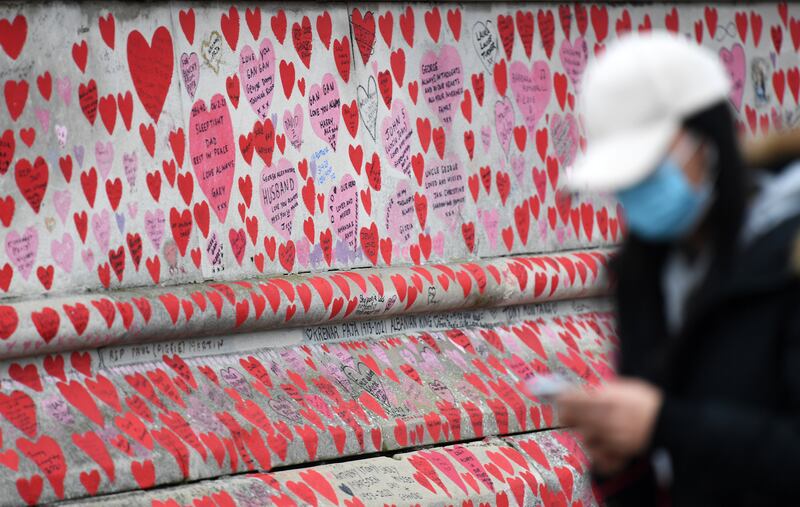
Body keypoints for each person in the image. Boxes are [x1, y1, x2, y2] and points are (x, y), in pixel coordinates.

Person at [558, 31, 800, 506]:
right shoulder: (642, 275)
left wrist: (665, 424)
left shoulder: (788, 260)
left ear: (705, 142)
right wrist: (621, 463)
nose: (635, 192)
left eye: (649, 169)